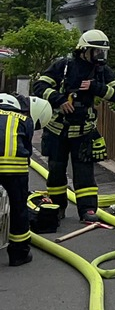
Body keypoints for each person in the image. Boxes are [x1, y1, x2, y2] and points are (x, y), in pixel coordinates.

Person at [32, 29, 115, 223]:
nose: (100, 56)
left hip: (83, 131)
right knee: (56, 171)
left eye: (102, 52)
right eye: (96, 52)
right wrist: (59, 99)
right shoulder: (63, 66)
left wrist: (95, 87)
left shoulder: (101, 71)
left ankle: (88, 210)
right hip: (57, 129)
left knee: (84, 172)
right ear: (83, 50)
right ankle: (56, 207)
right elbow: (39, 86)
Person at [0, 93, 53, 266]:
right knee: (18, 210)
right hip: (15, 171)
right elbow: (27, 149)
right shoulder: (25, 119)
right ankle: (19, 254)